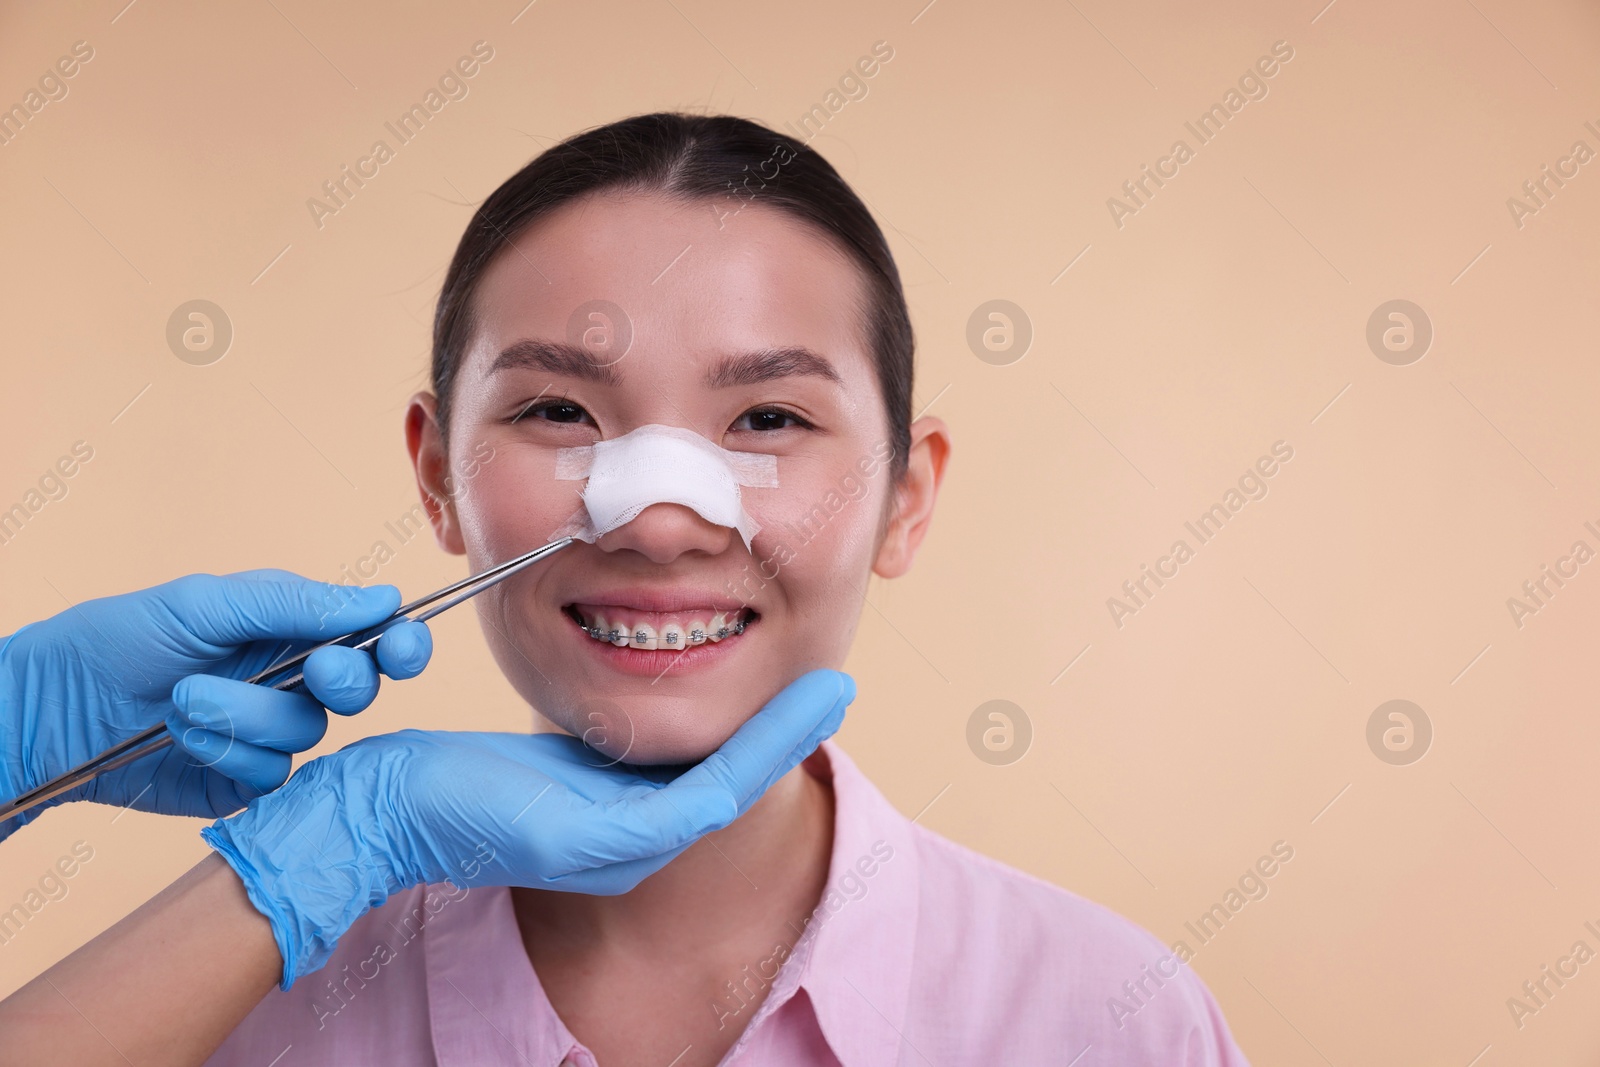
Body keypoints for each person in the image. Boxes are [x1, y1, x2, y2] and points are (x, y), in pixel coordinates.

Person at [2, 111, 1250, 1066]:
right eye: (558, 411)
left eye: (766, 416)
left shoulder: (1107, 1019)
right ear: (437, 476)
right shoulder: (227, 1015)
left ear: (904, 495)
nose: (657, 519)